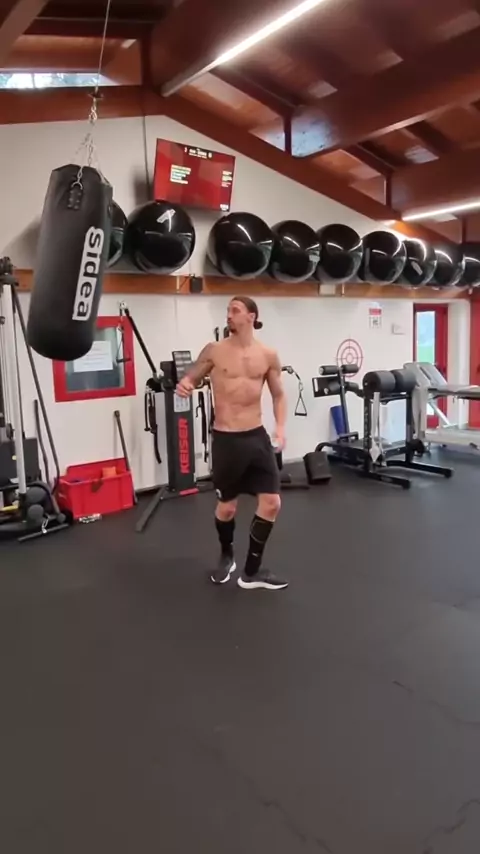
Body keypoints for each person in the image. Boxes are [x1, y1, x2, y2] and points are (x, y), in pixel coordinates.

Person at [176, 296, 288, 591]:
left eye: (235, 310)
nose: (228, 315)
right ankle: (227, 554)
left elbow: (279, 395)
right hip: (227, 439)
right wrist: (186, 384)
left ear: (251, 316)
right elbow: (192, 376)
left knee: (272, 502)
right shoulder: (215, 350)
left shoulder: (268, 354)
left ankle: (252, 572)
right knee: (227, 508)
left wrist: (280, 428)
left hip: (257, 437)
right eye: (227, 310)